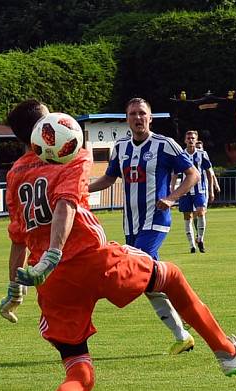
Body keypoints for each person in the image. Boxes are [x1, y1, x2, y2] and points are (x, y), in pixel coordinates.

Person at [1, 99, 236, 391]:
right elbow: (64, 207)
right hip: (89, 260)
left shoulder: (16, 173)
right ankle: (226, 353)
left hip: (54, 283)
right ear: (45, 126)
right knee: (170, 276)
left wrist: (14, 287)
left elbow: (16, 236)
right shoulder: (70, 151)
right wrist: (56, 253)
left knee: (80, 371)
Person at [88, 97, 200, 355]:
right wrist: (83, 190)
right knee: (151, 281)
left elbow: (192, 173)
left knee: (137, 272)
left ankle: (193, 323)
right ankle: (183, 334)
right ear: (127, 118)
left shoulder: (165, 144)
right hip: (131, 224)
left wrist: (172, 198)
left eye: (142, 113)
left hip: (156, 221)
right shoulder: (121, 147)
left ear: (150, 117)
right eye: (132, 114)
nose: (137, 118)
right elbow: (109, 178)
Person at [171, 132, 215, 253]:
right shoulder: (181, 155)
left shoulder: (202, 154)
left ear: (196, 140)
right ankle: (191, 245)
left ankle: (200, 239)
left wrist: (211, 190)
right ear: (185, 140)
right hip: (185, 191)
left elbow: (209, 172)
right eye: (188, 138)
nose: (191, 140)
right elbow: (175, 173)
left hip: (199, 190)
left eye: (193, 138)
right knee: (187, 216)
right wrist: (172, 188)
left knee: (201, 212)